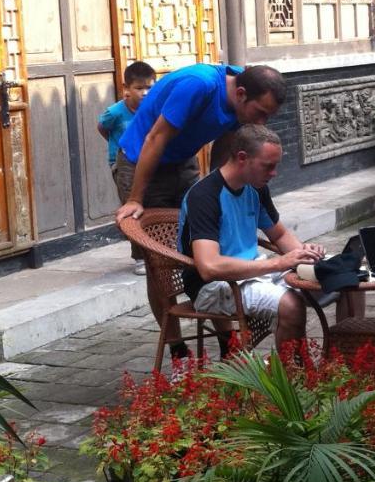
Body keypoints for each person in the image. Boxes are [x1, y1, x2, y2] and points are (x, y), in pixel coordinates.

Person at [115, 62, 286, 345]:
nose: (261, 123)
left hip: (182, 162)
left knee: (209, 243)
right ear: (241, 94)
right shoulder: (199, 85)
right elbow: (155, 138)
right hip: (142, 161)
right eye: (260, 113)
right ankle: (176, 347)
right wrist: (135, 197)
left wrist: (212, 196)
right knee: (160, 264)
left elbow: (225, 150)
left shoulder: (243, 93)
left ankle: (226, 341)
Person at [179, 124, 324, 358]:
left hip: (253, 271)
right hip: (214, 287)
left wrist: (305, 255)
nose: (274, 173)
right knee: (291, 305)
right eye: (269, 166)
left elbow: (279, 235)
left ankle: (343, 364)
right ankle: (291, 383)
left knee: (342, 280)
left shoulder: (256, 187)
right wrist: (279, 263)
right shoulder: (204, 196)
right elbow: (209, 267)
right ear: (242, 158)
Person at [98, 61, 156, 275]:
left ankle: (156, 251)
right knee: (132, 207)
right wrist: (118, 150)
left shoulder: (153, 110)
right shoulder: (115, 112)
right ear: (126, 89)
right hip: (123, 165)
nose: (145, 93)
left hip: (148, 162)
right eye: (139, 88)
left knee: (152, 205)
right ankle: (140, 257)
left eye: (149, 87)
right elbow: (102, 128)